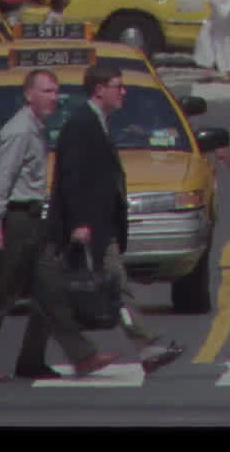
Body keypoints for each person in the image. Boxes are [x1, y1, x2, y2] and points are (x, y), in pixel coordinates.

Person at [0, 68, 109, 382]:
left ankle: (79, 357)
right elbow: (0, 180)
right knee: (0, 293)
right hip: (16, 220)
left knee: (52, 289)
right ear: (29, 94)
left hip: (31, 221)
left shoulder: (35, 129)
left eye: (56, 91)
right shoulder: (19, 131)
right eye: (47, 91)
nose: (54, 98)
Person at [51, 61, 185, 374]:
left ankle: (143, 347)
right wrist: (79, 223)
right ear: (99, 90)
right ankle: (146, 345)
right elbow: (71, 178)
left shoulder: (97, 121)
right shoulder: (82, 124)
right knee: (108, 285)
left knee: (59, 293)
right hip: (89, 227)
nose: (123, 92)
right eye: (117, 86)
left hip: (101, 224)